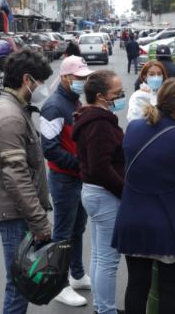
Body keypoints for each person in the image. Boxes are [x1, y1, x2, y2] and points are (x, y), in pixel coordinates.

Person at [112, 78, 175, 314]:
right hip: (169, 223)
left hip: (133, 220)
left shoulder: (134, 128)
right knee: (170, 289)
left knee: (137, 285)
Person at [0, 49, 53, 314]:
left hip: (18, 212)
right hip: (15, 214)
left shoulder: (16, 109)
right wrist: (38, 220)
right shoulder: (9, 116)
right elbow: (16, 175)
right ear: (27, 80)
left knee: (22, 284)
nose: (43, 88)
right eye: (41, 82)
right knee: (18, 285)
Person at [39, 55, 93, 307]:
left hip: (78, 178)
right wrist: (79, 164)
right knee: (62, 233)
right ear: (65, 77)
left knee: (78, 228)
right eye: (79, 77)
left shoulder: (73, 101)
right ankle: (58, 284)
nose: (83, 81)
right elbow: (49, 149)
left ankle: (77, 273)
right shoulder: (54, 106)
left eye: (85, 77)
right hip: (64, 179)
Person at [73, 70, 125, 314]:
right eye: (117, 93)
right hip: (104, 196)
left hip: (94, 193)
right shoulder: (100, 124)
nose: (121, 95)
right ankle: (106, 310)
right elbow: (100, 167)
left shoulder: (91, 117)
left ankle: (102, 307)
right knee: (108, 260)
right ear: (101, 96)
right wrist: (125, 192)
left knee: (98, 255)